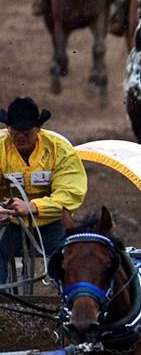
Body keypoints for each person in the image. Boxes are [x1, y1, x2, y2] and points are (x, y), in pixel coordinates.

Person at [0, 97, 87, 283]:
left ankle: (71, 303)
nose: (20, 135)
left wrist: (32, 206)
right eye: (14, 130)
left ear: (38, 128)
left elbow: (70, 194)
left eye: (26, 130)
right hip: (8, 223)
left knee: (75, 256)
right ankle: (4, 303)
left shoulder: (59, 148)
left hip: (51, 222)